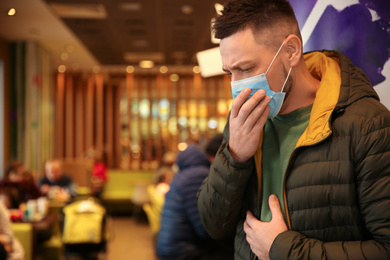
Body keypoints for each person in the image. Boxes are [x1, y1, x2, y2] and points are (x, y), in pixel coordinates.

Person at [197, 0, 390, 259]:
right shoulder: (242, 121)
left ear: (291, 50)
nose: (238, 87)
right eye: (229, 73)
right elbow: (213, 224)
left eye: (246, 69)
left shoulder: (367, 124)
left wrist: (284, 249)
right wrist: (235, 156)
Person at [157, 134, 234, 260]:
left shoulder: (185, 174)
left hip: (172, 248)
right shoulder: (199, 175)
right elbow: (205, 229)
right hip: (181, 252)